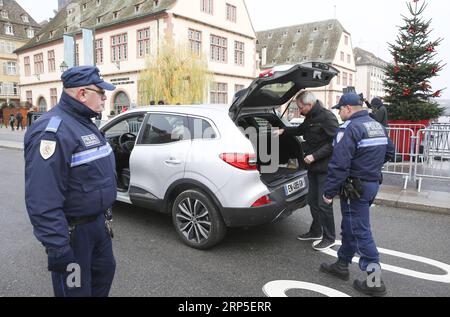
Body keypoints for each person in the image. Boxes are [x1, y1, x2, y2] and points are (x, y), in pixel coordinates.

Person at [24, 66, 117, 297]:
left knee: (103, 276)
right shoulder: (53, 131)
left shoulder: (85, 123)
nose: (105, 97)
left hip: (97, 227)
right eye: (101, 92)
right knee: (75, 291)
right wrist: (57, 246)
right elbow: (42, 197)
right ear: (82, 94)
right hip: (73, 235)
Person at [320, 93, 395, 297]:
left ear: (348, 108)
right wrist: (370, 167)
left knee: (361, 231)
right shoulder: (376, 125)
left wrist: (328, 192)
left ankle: (374, 281)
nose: (339, 113)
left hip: (355, 188)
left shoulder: (349, 128)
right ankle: (342, 264)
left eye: (340, 109)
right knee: (351, 226)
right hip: (371, 184)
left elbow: (339, 164)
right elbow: (390, 153)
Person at [277, 91, 339, 251]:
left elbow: (334, 143)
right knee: (312, 201)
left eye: (300, 108)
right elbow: (300, 130)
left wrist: (314, 156)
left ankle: (329, 237)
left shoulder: (328, 117)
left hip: (325, 168)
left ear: (309, 105)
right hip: (312, 168)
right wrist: (284, 131)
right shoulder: (310, 117)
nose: (299, 111)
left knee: (323, 204)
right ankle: (316, 231)